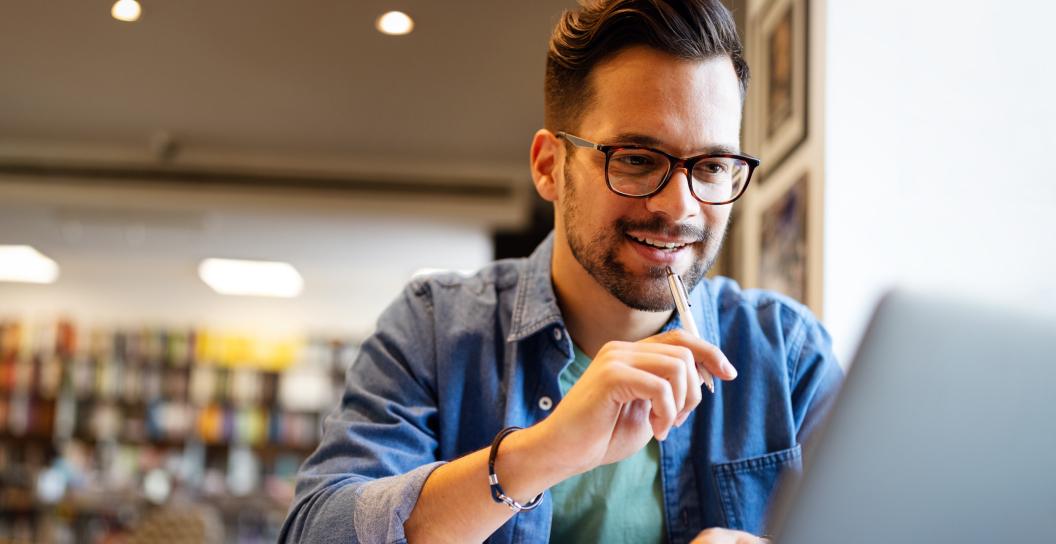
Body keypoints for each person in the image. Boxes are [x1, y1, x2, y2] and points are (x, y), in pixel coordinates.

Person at [279, 1, 843, 542]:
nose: (680, 207)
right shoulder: (434, 327)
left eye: (713, 165)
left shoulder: (789, 356)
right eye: (637, 159)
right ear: (550, 167)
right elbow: (316, 531)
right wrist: (537, 455)